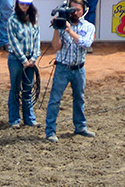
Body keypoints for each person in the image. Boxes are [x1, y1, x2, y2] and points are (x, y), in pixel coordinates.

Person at [44, 0, 94, 142]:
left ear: (83, 10)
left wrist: (69, 31)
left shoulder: (88, 26)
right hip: (62, 67)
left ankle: (80, 126)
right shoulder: (62, 24)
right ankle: (50, 131)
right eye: (72, 10)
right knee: (55, 100)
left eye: (78, 10)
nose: (75, 13)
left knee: (80, 98)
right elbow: (56, 47)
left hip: (79, 68)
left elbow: (86, 44)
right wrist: (56, 29)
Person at [5, 0, 39, 128]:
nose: (24, 6)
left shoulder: (33, 19)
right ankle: (14, 119)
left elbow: (37, 39)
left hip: (30, 59)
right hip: (16, 59)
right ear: (17, 4)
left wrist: (34, 56)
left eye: (27, 4)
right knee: (15, 88)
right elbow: (13, 42)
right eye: (22, 3)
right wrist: (24, 60)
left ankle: (29, 118)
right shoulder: (12, 20)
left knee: (28, 88)